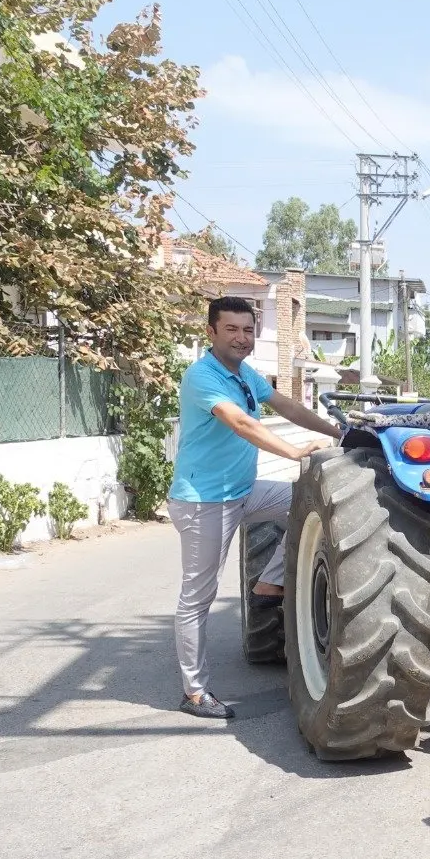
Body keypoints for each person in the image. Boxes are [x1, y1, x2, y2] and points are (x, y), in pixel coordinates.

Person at [168, 296, 340, 720]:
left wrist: (340, 431)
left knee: (306, 504)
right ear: (211, 333)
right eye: (232, 329)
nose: (242, 338)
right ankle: (194, 692)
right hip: (204, 501)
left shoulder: (245, 374)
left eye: (248, 330)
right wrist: (297, 453)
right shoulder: (202, 376)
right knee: (198, 597)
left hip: (243, 490)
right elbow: (243, 424)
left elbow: (288, 406)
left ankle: (270, 582)